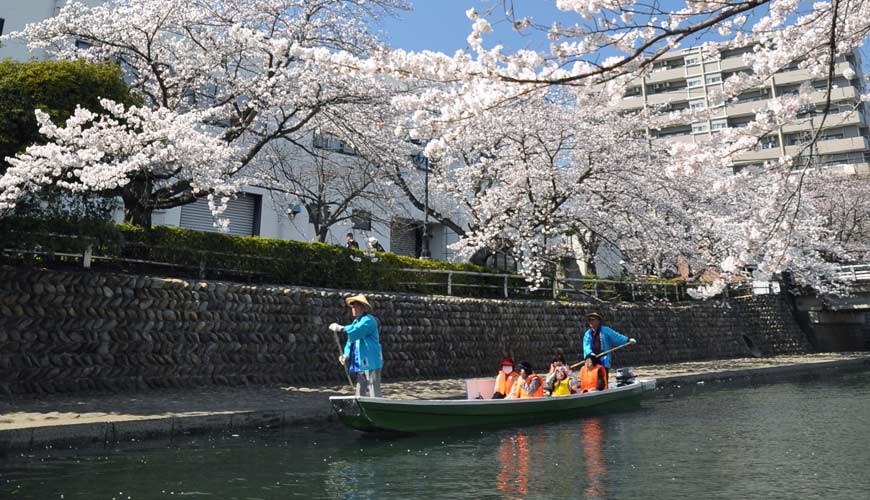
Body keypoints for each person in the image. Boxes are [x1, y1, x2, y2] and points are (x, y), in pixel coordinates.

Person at [329, 294, 383, 397]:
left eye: (356, 306)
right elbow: (350, 342)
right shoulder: (355, 322)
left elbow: (358, 330)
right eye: (352, 306)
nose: (353, 308)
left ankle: (377, 409)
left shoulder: (368, 320)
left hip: (371, 359)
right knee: (360, 389)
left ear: (363, 307)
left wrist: (341, 328)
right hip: (361, 360)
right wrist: (346, 355)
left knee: (373, 388)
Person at [582, 311, 635, 378]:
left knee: (602, 379)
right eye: (589, 320)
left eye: (592, 320)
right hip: (592, 360)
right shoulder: (587, 334)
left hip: (603, 358)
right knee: (592, 379)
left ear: (598, 321)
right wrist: (590, 354)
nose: (590, 322)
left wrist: (627, 340)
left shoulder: (606, 330)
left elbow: (617, 337)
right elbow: (586, 346)